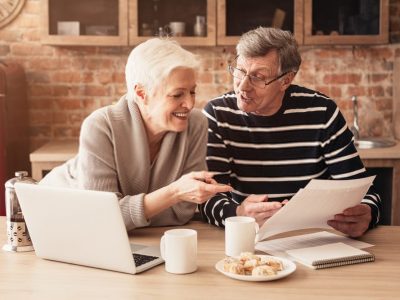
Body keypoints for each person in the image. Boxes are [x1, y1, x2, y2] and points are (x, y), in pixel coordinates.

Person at [200, 27, 381, 238]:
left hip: (314, 237)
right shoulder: (217, 114)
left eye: (258, 77)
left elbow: (361, 189)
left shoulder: (322, 112)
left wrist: (368, 212)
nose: (243, 86)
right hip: (248, 239)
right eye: (240, 71)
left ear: (286, 80)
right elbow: (206, 198)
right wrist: (238, 214)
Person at [40, 38, 231, 231]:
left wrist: (123, 213)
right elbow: (101, 218)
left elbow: (181, 213)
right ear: (141, 93)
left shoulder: (196, 124)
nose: (189, 104)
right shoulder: (100, 126)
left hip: (128, 237)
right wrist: (174, 193)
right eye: (177, 94)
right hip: (54, 220)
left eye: (192, 92)